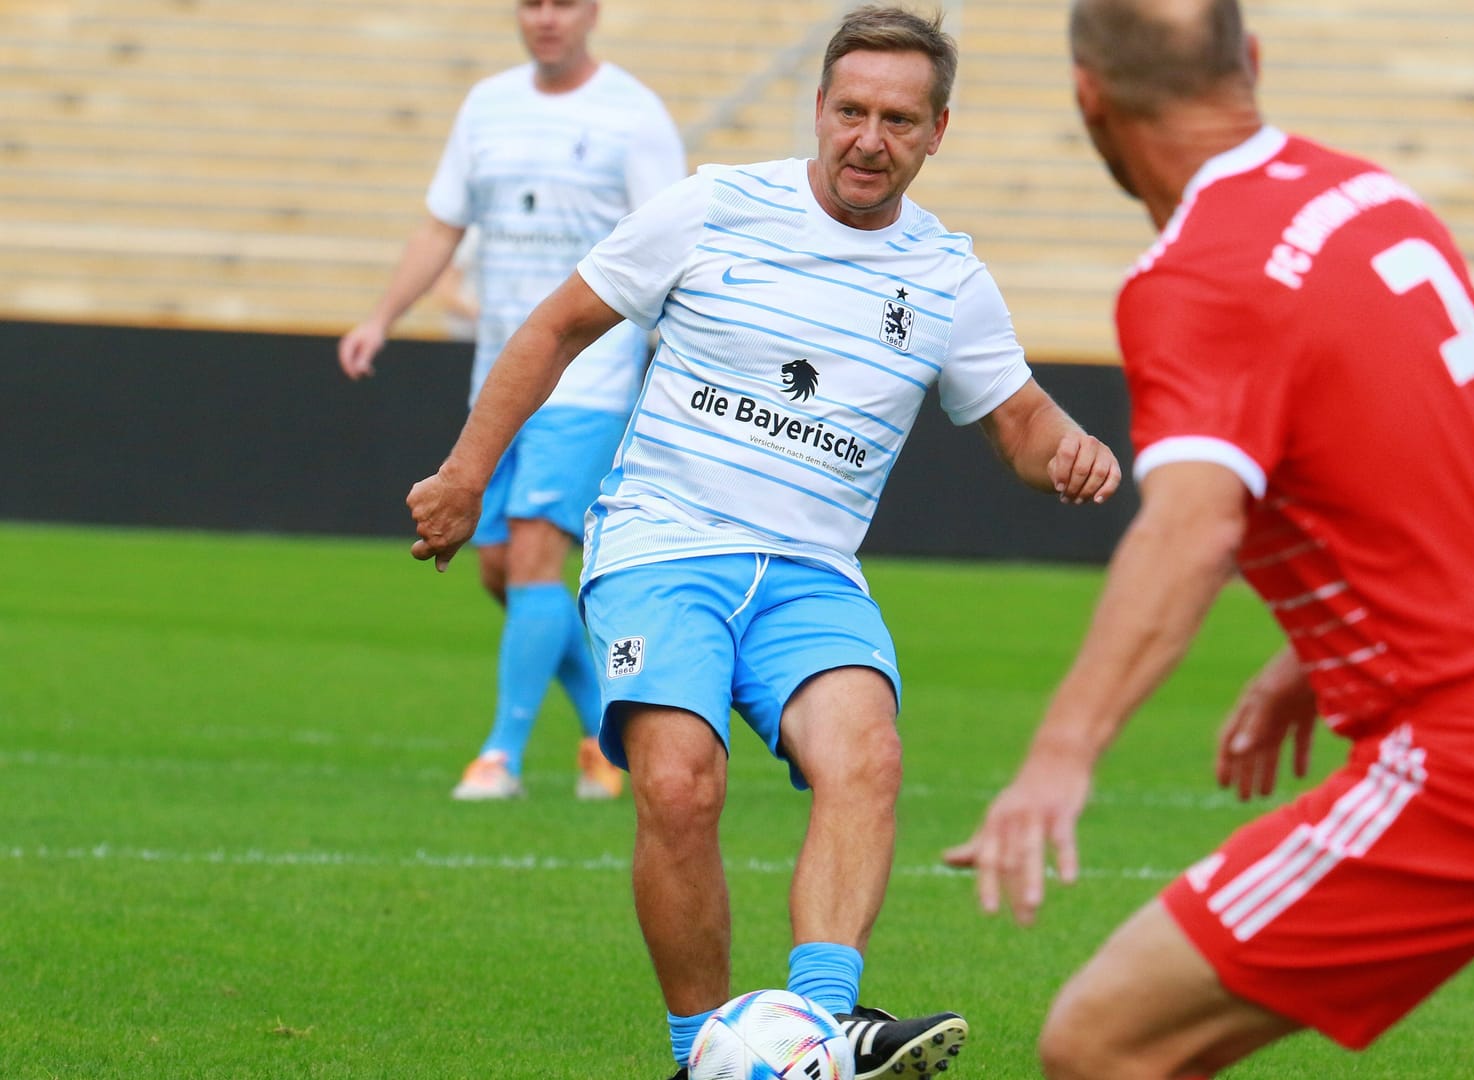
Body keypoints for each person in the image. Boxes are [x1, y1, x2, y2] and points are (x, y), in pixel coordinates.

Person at [942, 1, 1474, 1078]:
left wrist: (1057, 757)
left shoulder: (1193, 276)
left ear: (1091, 97)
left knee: (1103, 1046)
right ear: (1250, 62)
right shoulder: (1372, 193)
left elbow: (1192, 525)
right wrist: (1310, 656)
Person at [405, 6, 1122, 1077]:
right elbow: (555, 325)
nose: (868, 138)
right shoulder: (713, 206)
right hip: (662, 548)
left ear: (937, 133)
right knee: (680, 784)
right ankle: (705, 1051)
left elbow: (1018, 420)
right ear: (819, 109)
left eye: (896, 119)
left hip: (809, 575)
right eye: (850, 111)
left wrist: (1069, 448)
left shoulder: (947, 279)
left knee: (866, 757)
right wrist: (467, 475)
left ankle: (816, 1033)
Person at [339, 0, 686, 801]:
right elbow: (441, 226)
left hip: (591, 377)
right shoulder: (487, 106)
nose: (546, 18)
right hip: (501, 382)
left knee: (534, 554)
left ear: (591, 11)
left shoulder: (632, 114)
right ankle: (610, 734)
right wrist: (380, 317)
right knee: (498, 570)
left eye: (563, 3)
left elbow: (672, 237)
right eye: (532, 2)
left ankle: (500, 756)